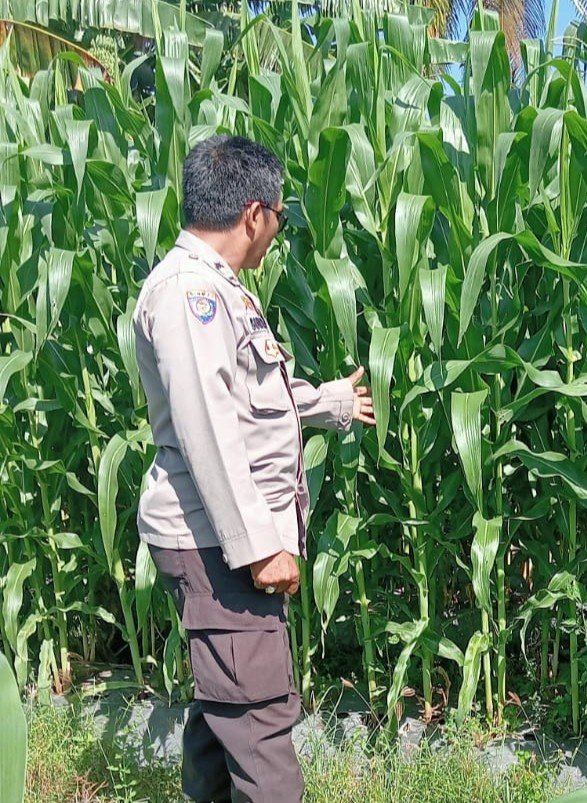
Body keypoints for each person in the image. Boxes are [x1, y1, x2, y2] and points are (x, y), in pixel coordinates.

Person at [133, 135, 375, 802]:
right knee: (261, 721)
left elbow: (247, 397)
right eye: (279, 217)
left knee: (225, 711)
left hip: (218, 539)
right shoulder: (192, 295)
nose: (276, 231)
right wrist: (260, 545)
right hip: (219, 544)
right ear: (253, 214)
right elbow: (207, 425)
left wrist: (326, 402)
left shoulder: (215, 289)